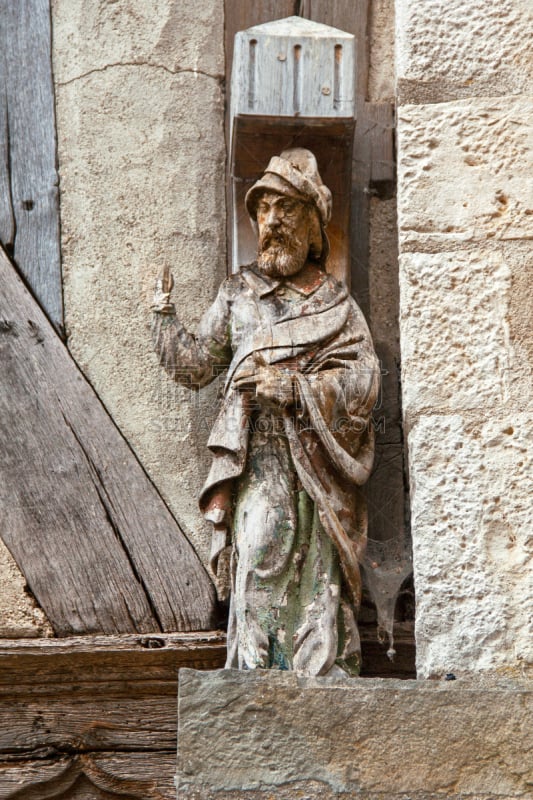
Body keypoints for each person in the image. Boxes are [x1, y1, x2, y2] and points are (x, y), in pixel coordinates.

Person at [152, 148, 379, 676]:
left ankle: (321, 689)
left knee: (320, 587)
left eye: (287, 209)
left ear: (313, 222)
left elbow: (364, 385)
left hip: (321, 474)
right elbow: (195, 367)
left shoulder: (337, 305)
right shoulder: (238, 294)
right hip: (261, 466)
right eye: (263, 210)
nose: (272, 222)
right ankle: (253, 688)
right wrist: (163, 317)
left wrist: (296, 389)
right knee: (258, 558)